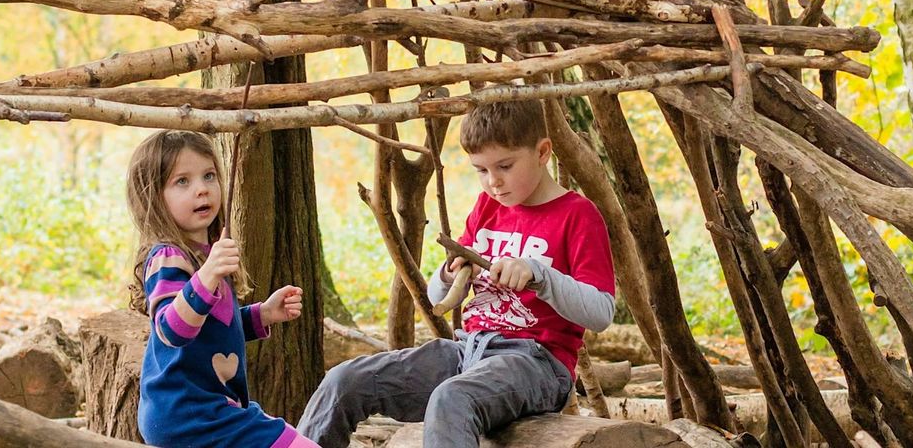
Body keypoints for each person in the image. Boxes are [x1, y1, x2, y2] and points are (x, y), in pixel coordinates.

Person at [298, 99, 616, 448]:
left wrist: (539, 274)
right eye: (481, 170)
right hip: (468, 352)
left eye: (505, 166)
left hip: (537, 363)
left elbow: (600, 313)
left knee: (452, 398)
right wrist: (450, 275)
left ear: (542, 152)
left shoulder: (577, 215)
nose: (493, 181)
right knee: (345, 380)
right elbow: (438, 299)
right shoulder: (488, 207)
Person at [126, 130, 319, 448]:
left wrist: (264, 314)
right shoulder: (168, 256)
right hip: (188, 415)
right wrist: (208, 274)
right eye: (182, 181)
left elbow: (212, 331)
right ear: (154, 197)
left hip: (213, 411)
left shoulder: (207, 254)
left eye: (209, 175)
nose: (201, 189)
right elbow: (172, 331)